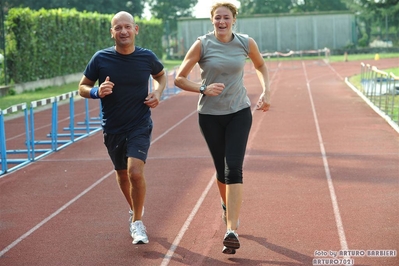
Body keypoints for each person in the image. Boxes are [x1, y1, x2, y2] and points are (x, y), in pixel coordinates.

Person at [174, 2, 270, 254]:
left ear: (234, 20)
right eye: (217, 18)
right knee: (220, 170)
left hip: (239, 111)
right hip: (210, 115)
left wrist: (266, 91)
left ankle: (231, 230)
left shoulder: (246, 43)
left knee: (233, 168)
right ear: (212, 20)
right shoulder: (202, 44)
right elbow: (179, 77)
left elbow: (260, 66)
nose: (222, 22)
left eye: (226, 17)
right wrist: (202, 88)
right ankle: (227, 207)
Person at [78, 11, 166, 245]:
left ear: (136, 30)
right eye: (118, 28)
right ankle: (135, 208)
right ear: (112, 33)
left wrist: (157, 92)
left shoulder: (147, 57)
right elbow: (82, 87)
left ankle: (137, 222)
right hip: (113, 127)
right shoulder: (100, 59)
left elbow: (160, 76)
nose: (123, 31)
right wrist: (96, 91)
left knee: (135, 172)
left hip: (139, 123)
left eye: (127, 27)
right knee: (122, 175)